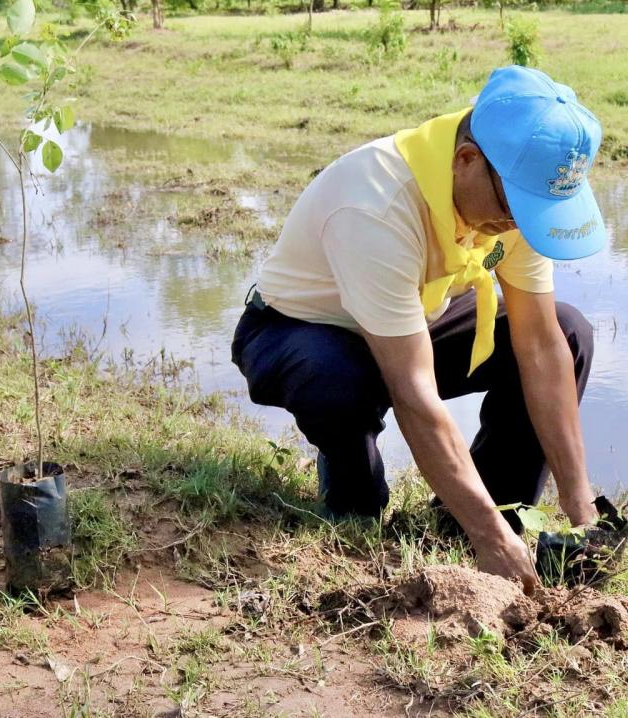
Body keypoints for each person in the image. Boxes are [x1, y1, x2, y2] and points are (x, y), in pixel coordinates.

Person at [231, 66, 608, 594]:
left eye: (538, 211)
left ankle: (485, 514)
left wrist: (580, 502)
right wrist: (491, 539)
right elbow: (412, 390)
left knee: (567, 334)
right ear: (466, 162)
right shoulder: (376, 205)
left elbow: (541, 348)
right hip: (302, 330)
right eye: (515, 209)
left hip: (414, 316)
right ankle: (356, 502)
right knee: (338, 378)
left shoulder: (506, 191)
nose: (521, 226)